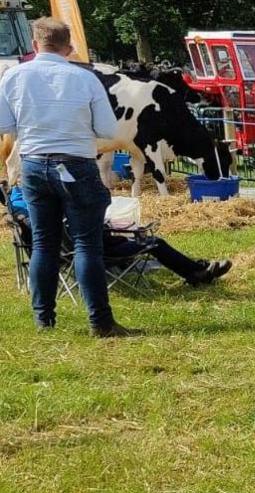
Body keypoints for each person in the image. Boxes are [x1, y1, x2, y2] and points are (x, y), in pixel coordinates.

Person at [0, 17, 131, 336]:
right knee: (87, 244)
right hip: (76, 163)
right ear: (69, 47)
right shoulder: (84, 78)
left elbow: (6, 127)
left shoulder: (12, 76)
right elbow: (107, 129)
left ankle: (44, 319)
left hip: (33, 164)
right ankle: (100, 322)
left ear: (34, 45)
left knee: (44, 243)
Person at [7, 185, 232, 286]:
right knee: (154, 242)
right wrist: (121, 232)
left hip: (67, 252)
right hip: (98, 252)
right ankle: (196, 272)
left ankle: (196, 269)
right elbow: (98, 236)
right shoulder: (68, 212)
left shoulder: (34, 213)